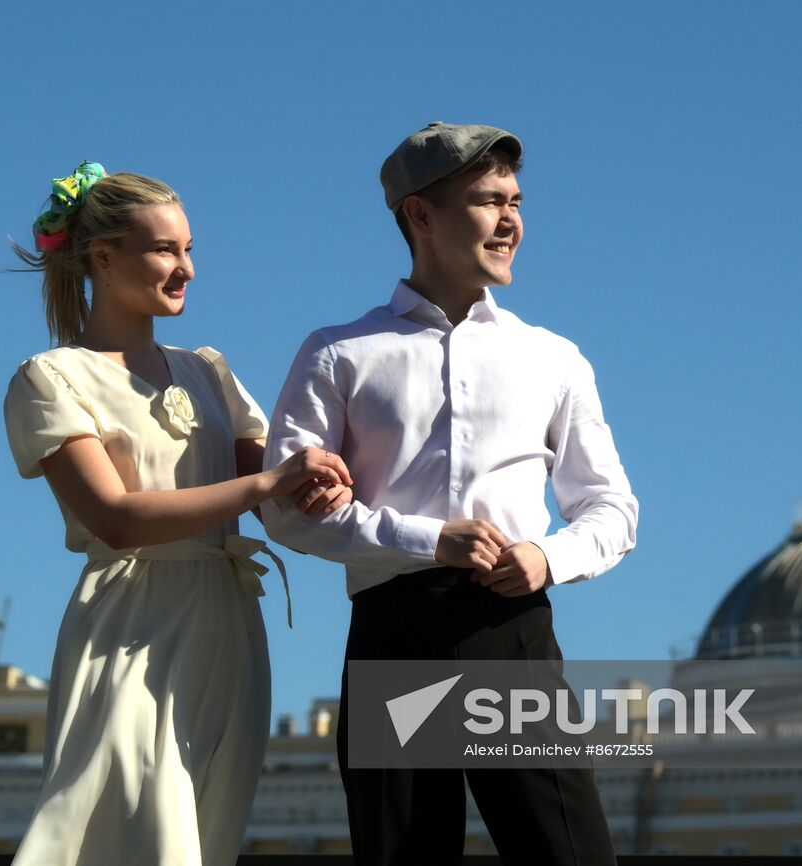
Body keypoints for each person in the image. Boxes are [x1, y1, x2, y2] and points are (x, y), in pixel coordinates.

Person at [262, 123, 639, 865]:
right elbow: (283, 509)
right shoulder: (338, 353)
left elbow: (612, 510)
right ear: (419, 216)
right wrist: (427, 540)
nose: (511, 221)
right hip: (393, 639)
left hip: (515, 637)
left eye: (516, 201)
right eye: (487, 201)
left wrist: (547, 557)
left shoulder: (552, 358)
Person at [2, 162, 354, 866]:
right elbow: (117, 518)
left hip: (228, 628)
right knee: (139, 833)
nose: (186, 267)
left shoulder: (208, 371)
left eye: (189, 249)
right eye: (166, 249)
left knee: (204, 836)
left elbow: (277, 477)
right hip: (128, 629)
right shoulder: (51, 379)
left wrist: (324, 484)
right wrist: (272, 484)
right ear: (102, 258)